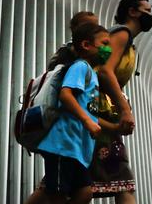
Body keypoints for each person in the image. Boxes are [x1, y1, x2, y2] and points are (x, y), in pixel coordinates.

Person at [33, 23, 112, 204]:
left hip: (77, 149)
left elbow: (87, 109)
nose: (108, 49)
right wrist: (87, 122)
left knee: (85, 193)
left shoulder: (92, 73)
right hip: (63, 145)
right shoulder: (80, 67)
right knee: (58, 195)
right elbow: (66, 95)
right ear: (86, 45)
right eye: (104, 43)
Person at [90, 0, 152, 202]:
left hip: (98, 112)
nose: (150, 16)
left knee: (76, 183)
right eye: (147, 11)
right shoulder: (122, 34)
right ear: (132, 12)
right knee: (122, 180)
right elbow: (105, 71)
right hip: (97, 112)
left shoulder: (126, 39)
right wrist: (125, 109)